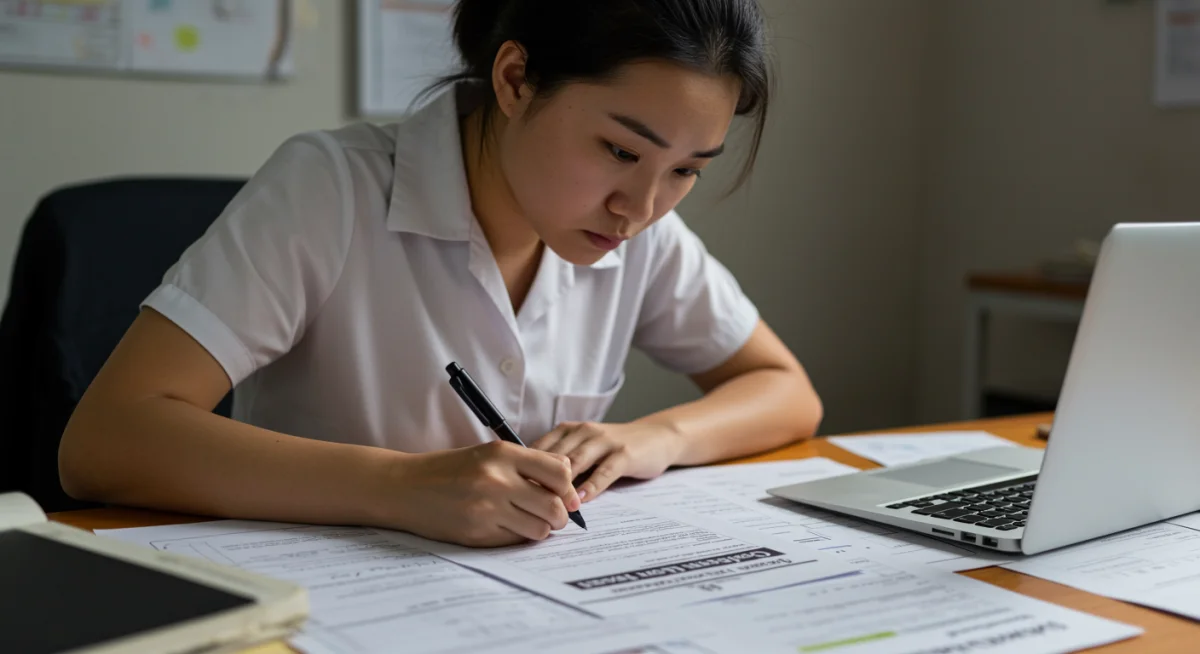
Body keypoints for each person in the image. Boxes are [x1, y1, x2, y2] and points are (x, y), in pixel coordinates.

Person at [59, 0, 822, 547]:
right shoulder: (330, 188)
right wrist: (398, 487)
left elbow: (785, 391)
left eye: (687, 169)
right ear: (516, 79)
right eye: (620, 151)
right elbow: (103, 441)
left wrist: (655, 438)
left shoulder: (641, 231)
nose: (641, 207)